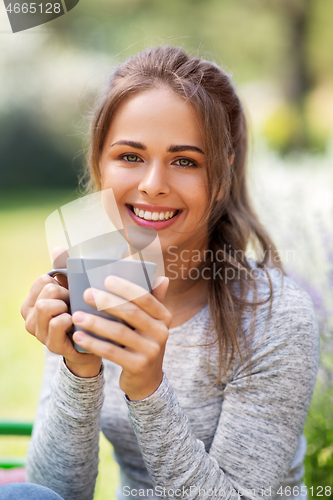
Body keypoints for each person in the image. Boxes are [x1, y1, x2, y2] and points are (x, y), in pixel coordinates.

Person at [20, 46, 319, 500]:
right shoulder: (81, 288)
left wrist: (148, 389)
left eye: (185, 161)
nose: (152, 183)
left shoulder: (276, 316)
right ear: (100, 162)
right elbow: (55, 492)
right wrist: (78, 369)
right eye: (130, 156)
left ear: (221, 175)